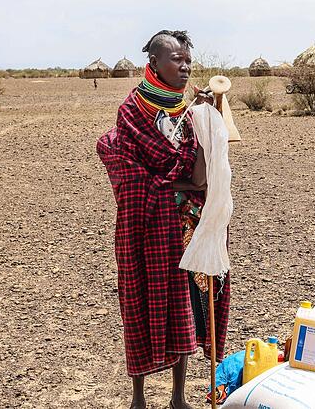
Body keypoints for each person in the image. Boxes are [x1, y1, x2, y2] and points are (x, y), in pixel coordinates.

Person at [97, 30, 230, 409]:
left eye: (188, 60)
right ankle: (138, 397)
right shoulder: (131, 112)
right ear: (154, 63)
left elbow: (201, 176)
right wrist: (172, 183)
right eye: (176, 59)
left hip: (184, 225)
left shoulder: (189, 112)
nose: (185, 66)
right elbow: (122, 163)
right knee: (140, 299)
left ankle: (178, 397)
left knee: (184, 303)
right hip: (144, 225)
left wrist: (208, 120)